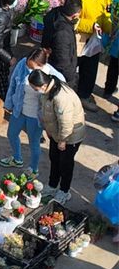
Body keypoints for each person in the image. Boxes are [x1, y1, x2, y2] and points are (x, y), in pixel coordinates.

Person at [1, 48, 65, 176]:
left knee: (34, 142)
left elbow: (62, 88)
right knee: (11, 134)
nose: (28, 68)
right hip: (19, 110)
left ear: (41, 66)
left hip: (35, 117)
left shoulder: (51, 74)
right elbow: (13, 83)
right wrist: (9, 103)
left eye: (32, 67)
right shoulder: (23, 64)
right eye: (28, 64)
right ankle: (17, 158)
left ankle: (34, 169)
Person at [30, 68, 86, 205]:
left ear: (43, 85)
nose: (35, 90)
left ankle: (64, 191)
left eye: (34, 88)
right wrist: (48, 130)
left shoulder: (61, 97)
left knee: (65, 164)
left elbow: (66, 122)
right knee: (54, 158)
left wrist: (63, 140)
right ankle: (52, 185)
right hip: (56, 134)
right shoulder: (48, 90)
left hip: (70, 136)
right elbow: (48, 113)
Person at [72, 0, 114, 112]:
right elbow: (73, 21)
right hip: (80, 39)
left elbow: (104, 13)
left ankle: (84, 95)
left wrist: (107, 25)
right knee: (72, 67)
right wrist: (91, 26)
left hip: (95, 40)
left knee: (90, 69)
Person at [41, 0, 82, 85]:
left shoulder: (54, 14)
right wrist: (71, 77)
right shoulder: (63, 33)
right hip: (60, 75)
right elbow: (62, 60)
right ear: (75, 15)